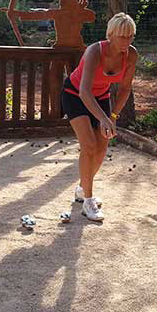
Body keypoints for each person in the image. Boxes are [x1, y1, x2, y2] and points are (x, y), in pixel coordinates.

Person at [61, 12, 138, 221]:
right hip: (75, 95)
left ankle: (81, 187)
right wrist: (103, 118)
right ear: (111, 34)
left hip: (101, 98)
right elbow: (84, 91)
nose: (127, 41)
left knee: (102, 147)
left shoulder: (131, 55)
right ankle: (88, 201)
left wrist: (112, 115)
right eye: (123, 36)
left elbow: (124, 89)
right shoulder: (95, 51)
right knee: (89, 145)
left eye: (130, 36)